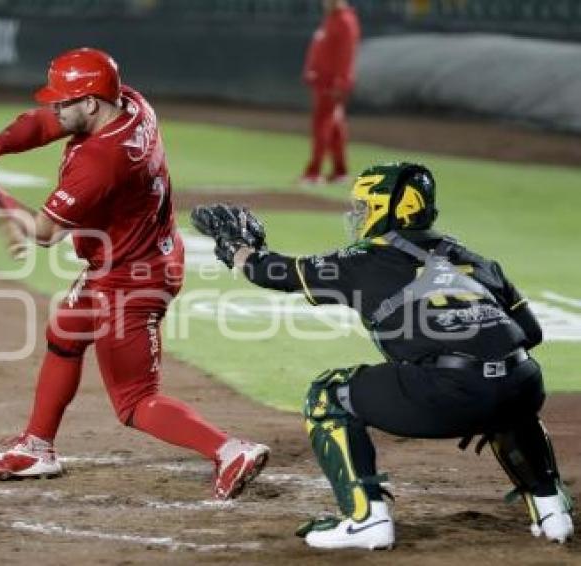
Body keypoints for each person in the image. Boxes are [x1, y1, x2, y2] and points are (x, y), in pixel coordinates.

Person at [191, 162, 574, 548]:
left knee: (328, 395)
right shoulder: (475, 259)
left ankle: (366, 519)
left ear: (388, 209)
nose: (356, 215)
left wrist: (241, 249)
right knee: (507, 388)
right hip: (525, 385)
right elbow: (531, 334)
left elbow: (273, 272)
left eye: (363, 206)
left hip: (450, 394)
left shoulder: (365, 259)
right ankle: (551, 506)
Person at [0, 47, 269, 500]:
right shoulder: (132, 104)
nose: (56, 109)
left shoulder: (100, 162)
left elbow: (43, 234)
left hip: (132, 280)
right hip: (131, 259)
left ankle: (229, 450)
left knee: (135, 401)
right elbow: (46, 123)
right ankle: (38, 445)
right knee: (65, 332)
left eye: (65, 101)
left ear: (92, 103)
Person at [299, 0, 361, 187]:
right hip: (322, 81)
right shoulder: (331, 19)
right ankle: (340, 171)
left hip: (331, 84)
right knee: (334, 127)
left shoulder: (345, 21)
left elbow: (347, 54)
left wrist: (341, 82)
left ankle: (314, 172)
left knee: (322, 124)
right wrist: (311, 72)